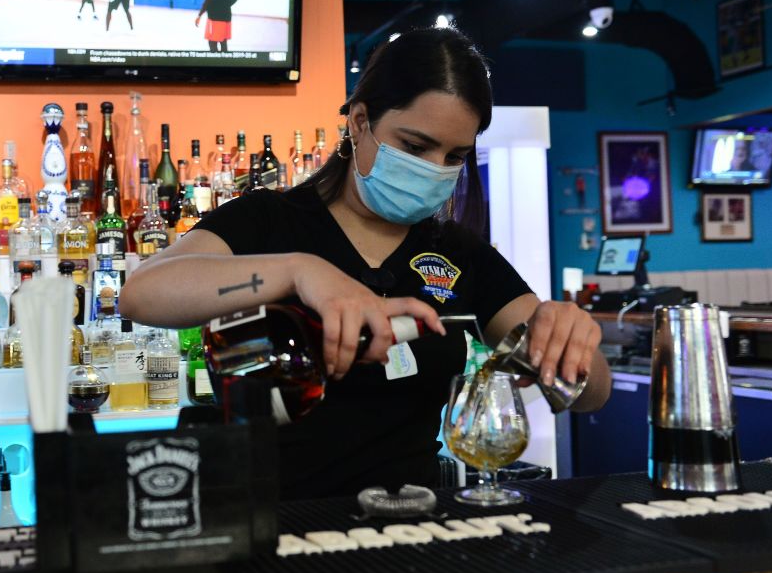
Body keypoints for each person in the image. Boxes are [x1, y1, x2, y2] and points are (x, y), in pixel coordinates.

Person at [120, 28, 610, 499]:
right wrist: (300, 272)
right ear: (359, 122)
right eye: (415, 147)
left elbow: (586, 395)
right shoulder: (268, 221)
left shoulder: (460, 254)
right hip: (266, 524)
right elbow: (141, 293)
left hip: (408, 528)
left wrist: (569, 337)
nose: (435, 169)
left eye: (454, 155)